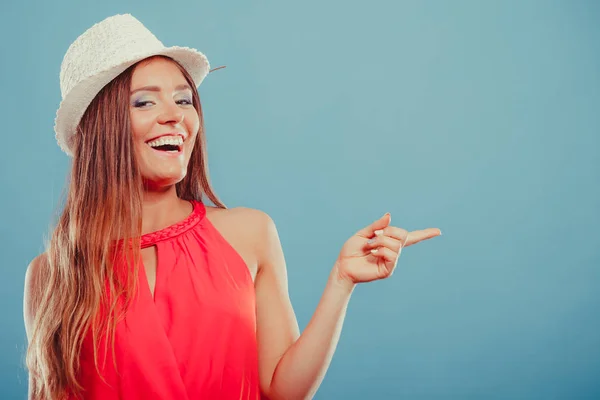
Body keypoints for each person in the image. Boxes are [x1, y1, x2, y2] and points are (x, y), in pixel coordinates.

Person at [23, 13, 441, 400]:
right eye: (144, 102)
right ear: (102, 129)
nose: (174, 115)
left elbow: (281, 390)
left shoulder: (249, 233)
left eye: (184, 100)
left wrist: (341, 282)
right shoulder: (53, 273)